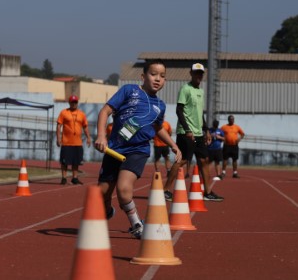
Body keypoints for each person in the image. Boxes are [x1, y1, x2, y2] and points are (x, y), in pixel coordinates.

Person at [94, 59, 181, 239]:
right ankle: (108, 208)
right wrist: (101, 136)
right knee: (102, 193)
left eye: (162, 76)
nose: (158, 79)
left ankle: (136, 224)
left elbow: (158, 128)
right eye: (153, 74)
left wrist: (173, 145)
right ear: (143, 76)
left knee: (124, 189)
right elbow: (105, 112)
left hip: (137, 150)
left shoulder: (160, 106)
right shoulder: (129, 91)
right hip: (115, 149)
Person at [163, 63, 223, 202]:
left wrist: (206, 130)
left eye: (200, 73)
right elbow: (179, 110)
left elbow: (199, 114)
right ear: (191, 73)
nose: (198, 75)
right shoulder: (185, 89)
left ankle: (208, 192)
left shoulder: (200, 92)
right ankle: (165, 190)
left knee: (204, 160)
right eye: (196, 73)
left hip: (198, 133)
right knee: (182, 160)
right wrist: (187, 129)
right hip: (186, 132)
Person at [56, 95, 92, 185]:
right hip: (66, 142)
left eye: (75, 102)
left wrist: (88, 137)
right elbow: (59, 125)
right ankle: (64, 178)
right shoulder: (64, 112)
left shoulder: (82, 114)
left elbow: (85, 127)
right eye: (72, 102)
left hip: (77, 143)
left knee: (76, 161)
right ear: (69, 103)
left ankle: (74, 178)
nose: (74, 104)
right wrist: (58, 137)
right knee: (64, 162)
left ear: (77, 103)